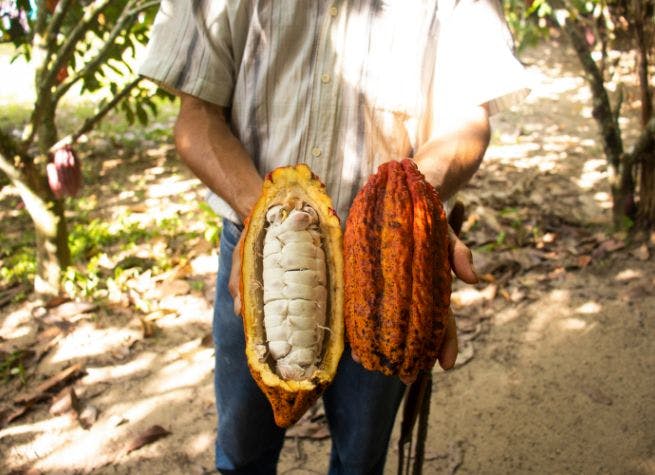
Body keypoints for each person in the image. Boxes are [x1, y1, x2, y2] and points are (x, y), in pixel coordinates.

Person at [139, 1, 529, 473]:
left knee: (361, 457)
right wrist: (262, 213)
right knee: (243, 449)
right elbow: (197, 115)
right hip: (263, 248)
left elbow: (466, 118)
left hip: (388, 266)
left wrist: (407, 213)